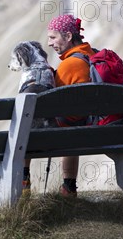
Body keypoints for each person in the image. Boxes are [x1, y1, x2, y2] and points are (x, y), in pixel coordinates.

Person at [46, 14, 94, 197]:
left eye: (53, 37)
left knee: (26, 127)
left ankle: (24, 184)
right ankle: (69, 187)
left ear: (67, 36)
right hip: (97, 131)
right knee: (72, 125)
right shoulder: (91, 55)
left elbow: (49, 103)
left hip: (74, 130)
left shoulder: (69, 65)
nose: (49, 43)